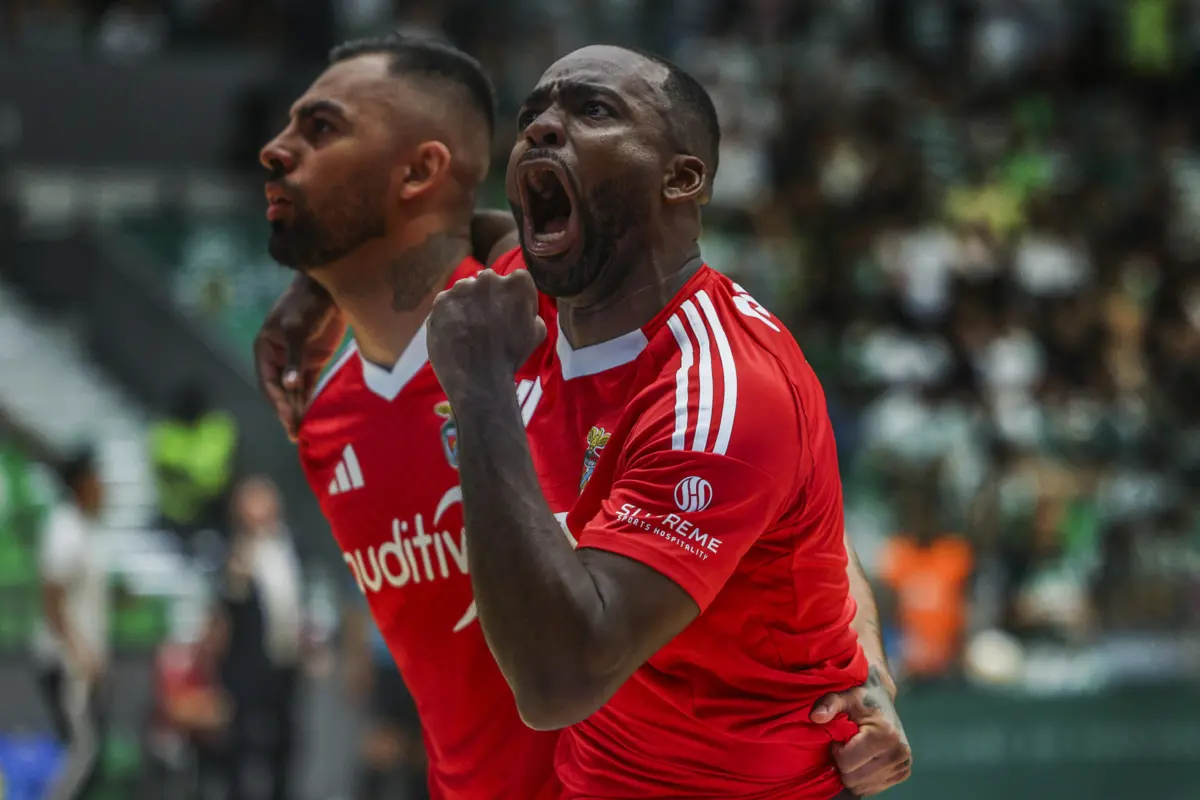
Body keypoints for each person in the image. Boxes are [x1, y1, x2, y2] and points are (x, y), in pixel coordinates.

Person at [253, 33, 908, 799]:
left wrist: (479, 391)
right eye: (531, 113)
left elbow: (561, 680)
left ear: (682, 177)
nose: (541, 126)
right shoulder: (517, 308)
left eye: (591, 109)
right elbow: (455, 233)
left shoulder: (704, 383)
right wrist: (325, 282)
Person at [208, 476, 305, 800]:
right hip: (247, 666)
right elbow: (226, 602)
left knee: (286, 740)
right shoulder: (235, 550)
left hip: (286, 661)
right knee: (243, 741)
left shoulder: (291, 545)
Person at [34, 448, 110, 800]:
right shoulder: (64, 529)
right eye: (98, 479)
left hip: (79, 664)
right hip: (67, 665)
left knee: (85, 751)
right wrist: (80, 651)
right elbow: (52, 598)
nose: (105, 487)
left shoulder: (83, 528)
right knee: (82, 752)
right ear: (81, 483)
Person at [343, 604, 429, 800]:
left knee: (424, 758)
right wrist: (356, 658)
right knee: (381, 753)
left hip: (429, 666)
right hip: (387, 666)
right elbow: (357, 603)